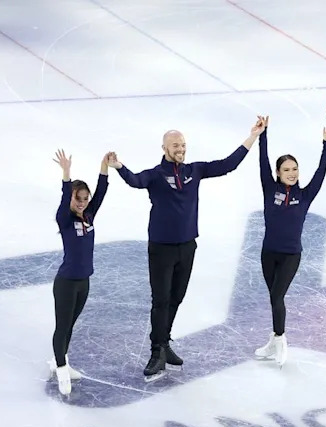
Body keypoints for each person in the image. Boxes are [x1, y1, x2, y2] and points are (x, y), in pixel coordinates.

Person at [108, 121, 263, 380]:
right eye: (175, 145)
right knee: (160, 300)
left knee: (176, 297)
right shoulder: (156, 174)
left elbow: (227, 165)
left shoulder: (195, 171)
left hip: (187, 245)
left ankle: (165, 343)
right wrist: (119, 167)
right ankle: (156, 350)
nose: (180, 149)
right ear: (165, 148)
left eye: (182, 145)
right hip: (161, 248)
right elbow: (135, 181)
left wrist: (253, 136)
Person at [253, 115, 326, 365]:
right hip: (268, 253)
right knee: (273, 299)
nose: (292, 173)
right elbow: (262, 161)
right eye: (286, 170)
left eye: (295, 169)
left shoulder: (305, 194)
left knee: (278, 298)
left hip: (291, 255)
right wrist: (263, 135)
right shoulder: (270, 188)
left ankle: (280, 340)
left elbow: (322, 171)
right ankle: (273, 339)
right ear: (278, 173)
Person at [49, 149, 111, 395]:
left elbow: (102, 192)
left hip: (84, 282)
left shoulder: (89, 216)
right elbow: (65, 198)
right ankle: (61, 369)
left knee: (71, 326)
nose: (82, 202)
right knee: (62, 327)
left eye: (85, 199)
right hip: (65, 283)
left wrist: (104, 166)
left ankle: (59, 361)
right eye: (78, 199)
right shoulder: (64, 219)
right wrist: (66, 173)